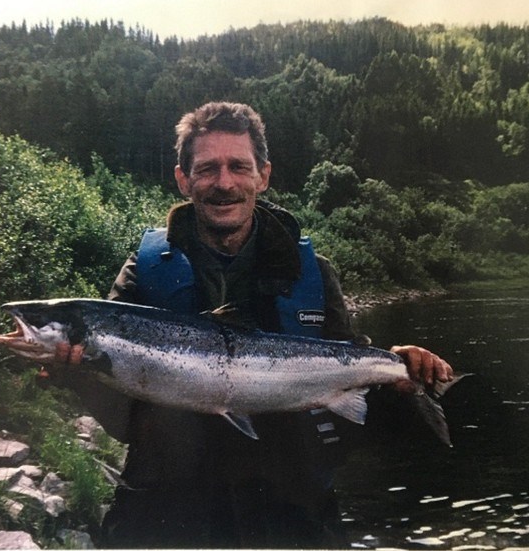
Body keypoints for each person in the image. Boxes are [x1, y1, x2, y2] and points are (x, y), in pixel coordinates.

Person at [57, 101, 453, 548]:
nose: (223, 183)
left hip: (293, 516)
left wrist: (397, 375)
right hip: (168, 514)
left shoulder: (314, 274)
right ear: (183, 179)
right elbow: (126, 422)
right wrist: (80, 375)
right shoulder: (143, 273)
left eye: (238, 167)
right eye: (207, 169)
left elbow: (352, 414)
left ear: (262, 176)